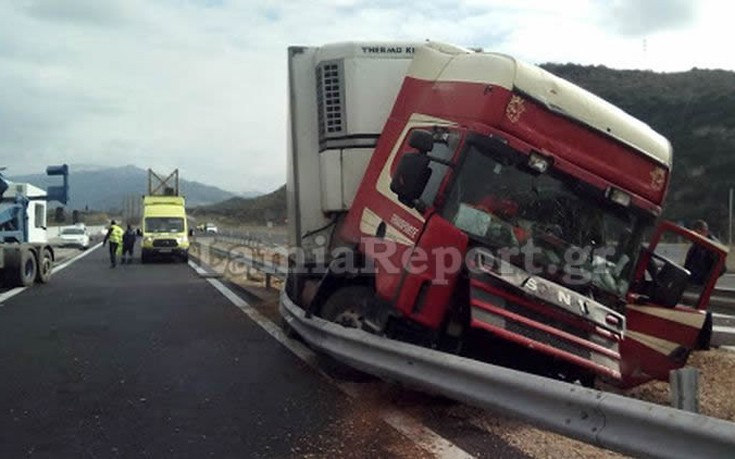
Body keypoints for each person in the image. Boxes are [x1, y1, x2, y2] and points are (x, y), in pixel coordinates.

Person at [684, 220, 723, 285]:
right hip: (692, 279)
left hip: (701, 282)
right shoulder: (698, 244)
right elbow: (689, 262)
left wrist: (707, 279)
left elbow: (721, 267)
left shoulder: (713, 246)